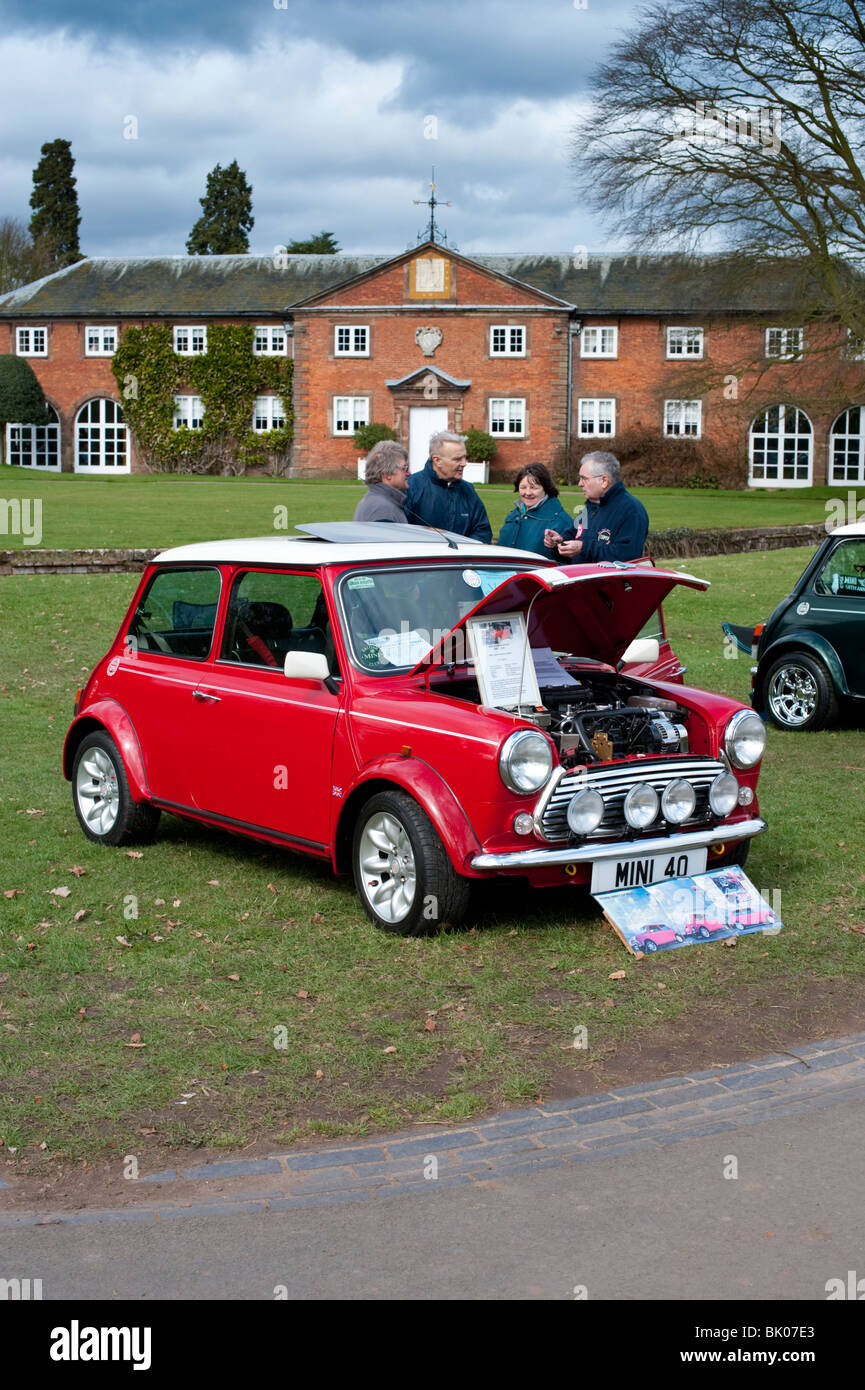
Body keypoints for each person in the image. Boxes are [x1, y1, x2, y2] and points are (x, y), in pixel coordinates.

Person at [544, 451, 648, 563]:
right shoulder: (590, 507)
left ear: (604, 481)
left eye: (584, 478)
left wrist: (583, 548)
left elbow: (626, 557)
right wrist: (559, 543)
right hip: (580, 578)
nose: (579, 484)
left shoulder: (631, 510)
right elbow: (573, 537)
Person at [405, 430, 492, 542]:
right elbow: (401, 532)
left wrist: (464, 553)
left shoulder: (468, 490)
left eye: (465, 457)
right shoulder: (411, 487)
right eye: (457, 459)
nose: (464, 463)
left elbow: (482, 531)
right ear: (437, 460)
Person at [497, 462, 575, 558]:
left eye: (534, 488)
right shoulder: (513, 515)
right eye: (523, 487)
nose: (528, 493)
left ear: (545, 488)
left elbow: (569, 561)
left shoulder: (561, 521)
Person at [353, 440, 410, 523]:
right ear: (387, 474)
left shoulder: (378, 501)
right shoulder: (382, 508)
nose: (408, 473)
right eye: (404, 468)